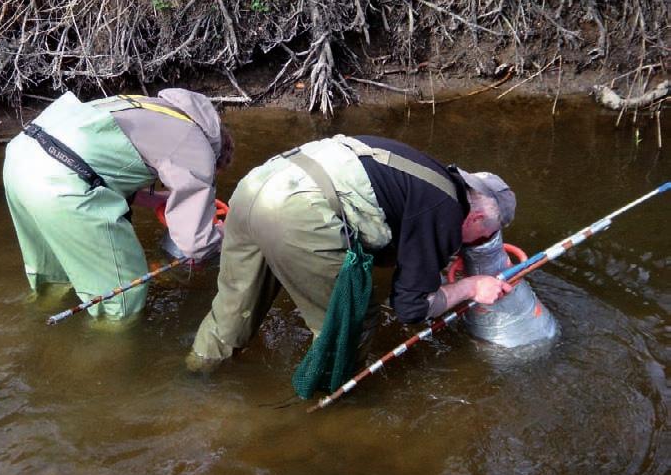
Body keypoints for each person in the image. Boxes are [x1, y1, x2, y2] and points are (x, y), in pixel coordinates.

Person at [188, 134, 514, 372]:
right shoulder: (446, 212)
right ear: (476, 217)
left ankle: (197, 372)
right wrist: (472, 286)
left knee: (234, 306)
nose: (470, 246)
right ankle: (328, 411)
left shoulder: (428, 175)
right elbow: (410, 308)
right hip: (299, 209)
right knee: (351, 321)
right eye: (480, 238)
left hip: (257, 186)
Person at [3, 88, 233, 320]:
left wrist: (153, 200)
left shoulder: (150, 107)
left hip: (20, 158)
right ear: (217, 158)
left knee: (55, 276)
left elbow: (105, 163)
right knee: (121, 304)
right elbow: (195, 244)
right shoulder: (199, 150)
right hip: (61, 184)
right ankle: (110, 348)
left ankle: (36, 316)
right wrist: (225, 236)